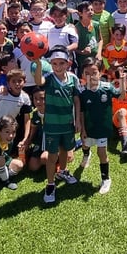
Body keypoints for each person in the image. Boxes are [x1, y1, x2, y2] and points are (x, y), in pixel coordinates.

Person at [33, 46, 81, 204]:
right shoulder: (49, 77)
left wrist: (78, 120)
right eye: (54, 63)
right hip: (52, 125)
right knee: (52, 156)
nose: (58, 67)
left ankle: (63, 172)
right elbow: (39, 81)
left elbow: (76, 100)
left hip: (67, 123)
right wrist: (38, 64)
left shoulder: (73, 78)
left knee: (64, 150)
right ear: (51, 64)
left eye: (61, 63)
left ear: (68, 63)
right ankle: (51, 184)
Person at [78, 58, 120, 194]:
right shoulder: (83, 92)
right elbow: (82, 112)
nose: (91, 76)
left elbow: (121, 96)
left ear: (100, 73)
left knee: (101, 153)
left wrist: (123, 82)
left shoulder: (107, 88)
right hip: (89, 128)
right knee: (85, 145)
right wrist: (83, 129)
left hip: (102, 128)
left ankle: (106, 179)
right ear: (83, 75)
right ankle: (86, 154)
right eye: (87, 73)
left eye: (94, 72)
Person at [0, 115, 25, 190]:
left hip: (1, 162)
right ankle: (6, 181)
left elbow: (6, 155)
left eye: (13, 132)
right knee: (0, 159)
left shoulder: (10, 141)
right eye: (7, 132)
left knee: (19, 164)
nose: (11, 135)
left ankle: (0, 177)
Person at [74, 1, 103, 71]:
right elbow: (73, 48)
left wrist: (99, 53)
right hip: (83, 62)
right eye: (87, 10)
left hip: (95, 60)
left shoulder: (96, 25)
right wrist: (82, 52)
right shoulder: (76, 28)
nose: (90, 12)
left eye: (91, 10)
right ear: (80, 13)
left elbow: (100, 40)